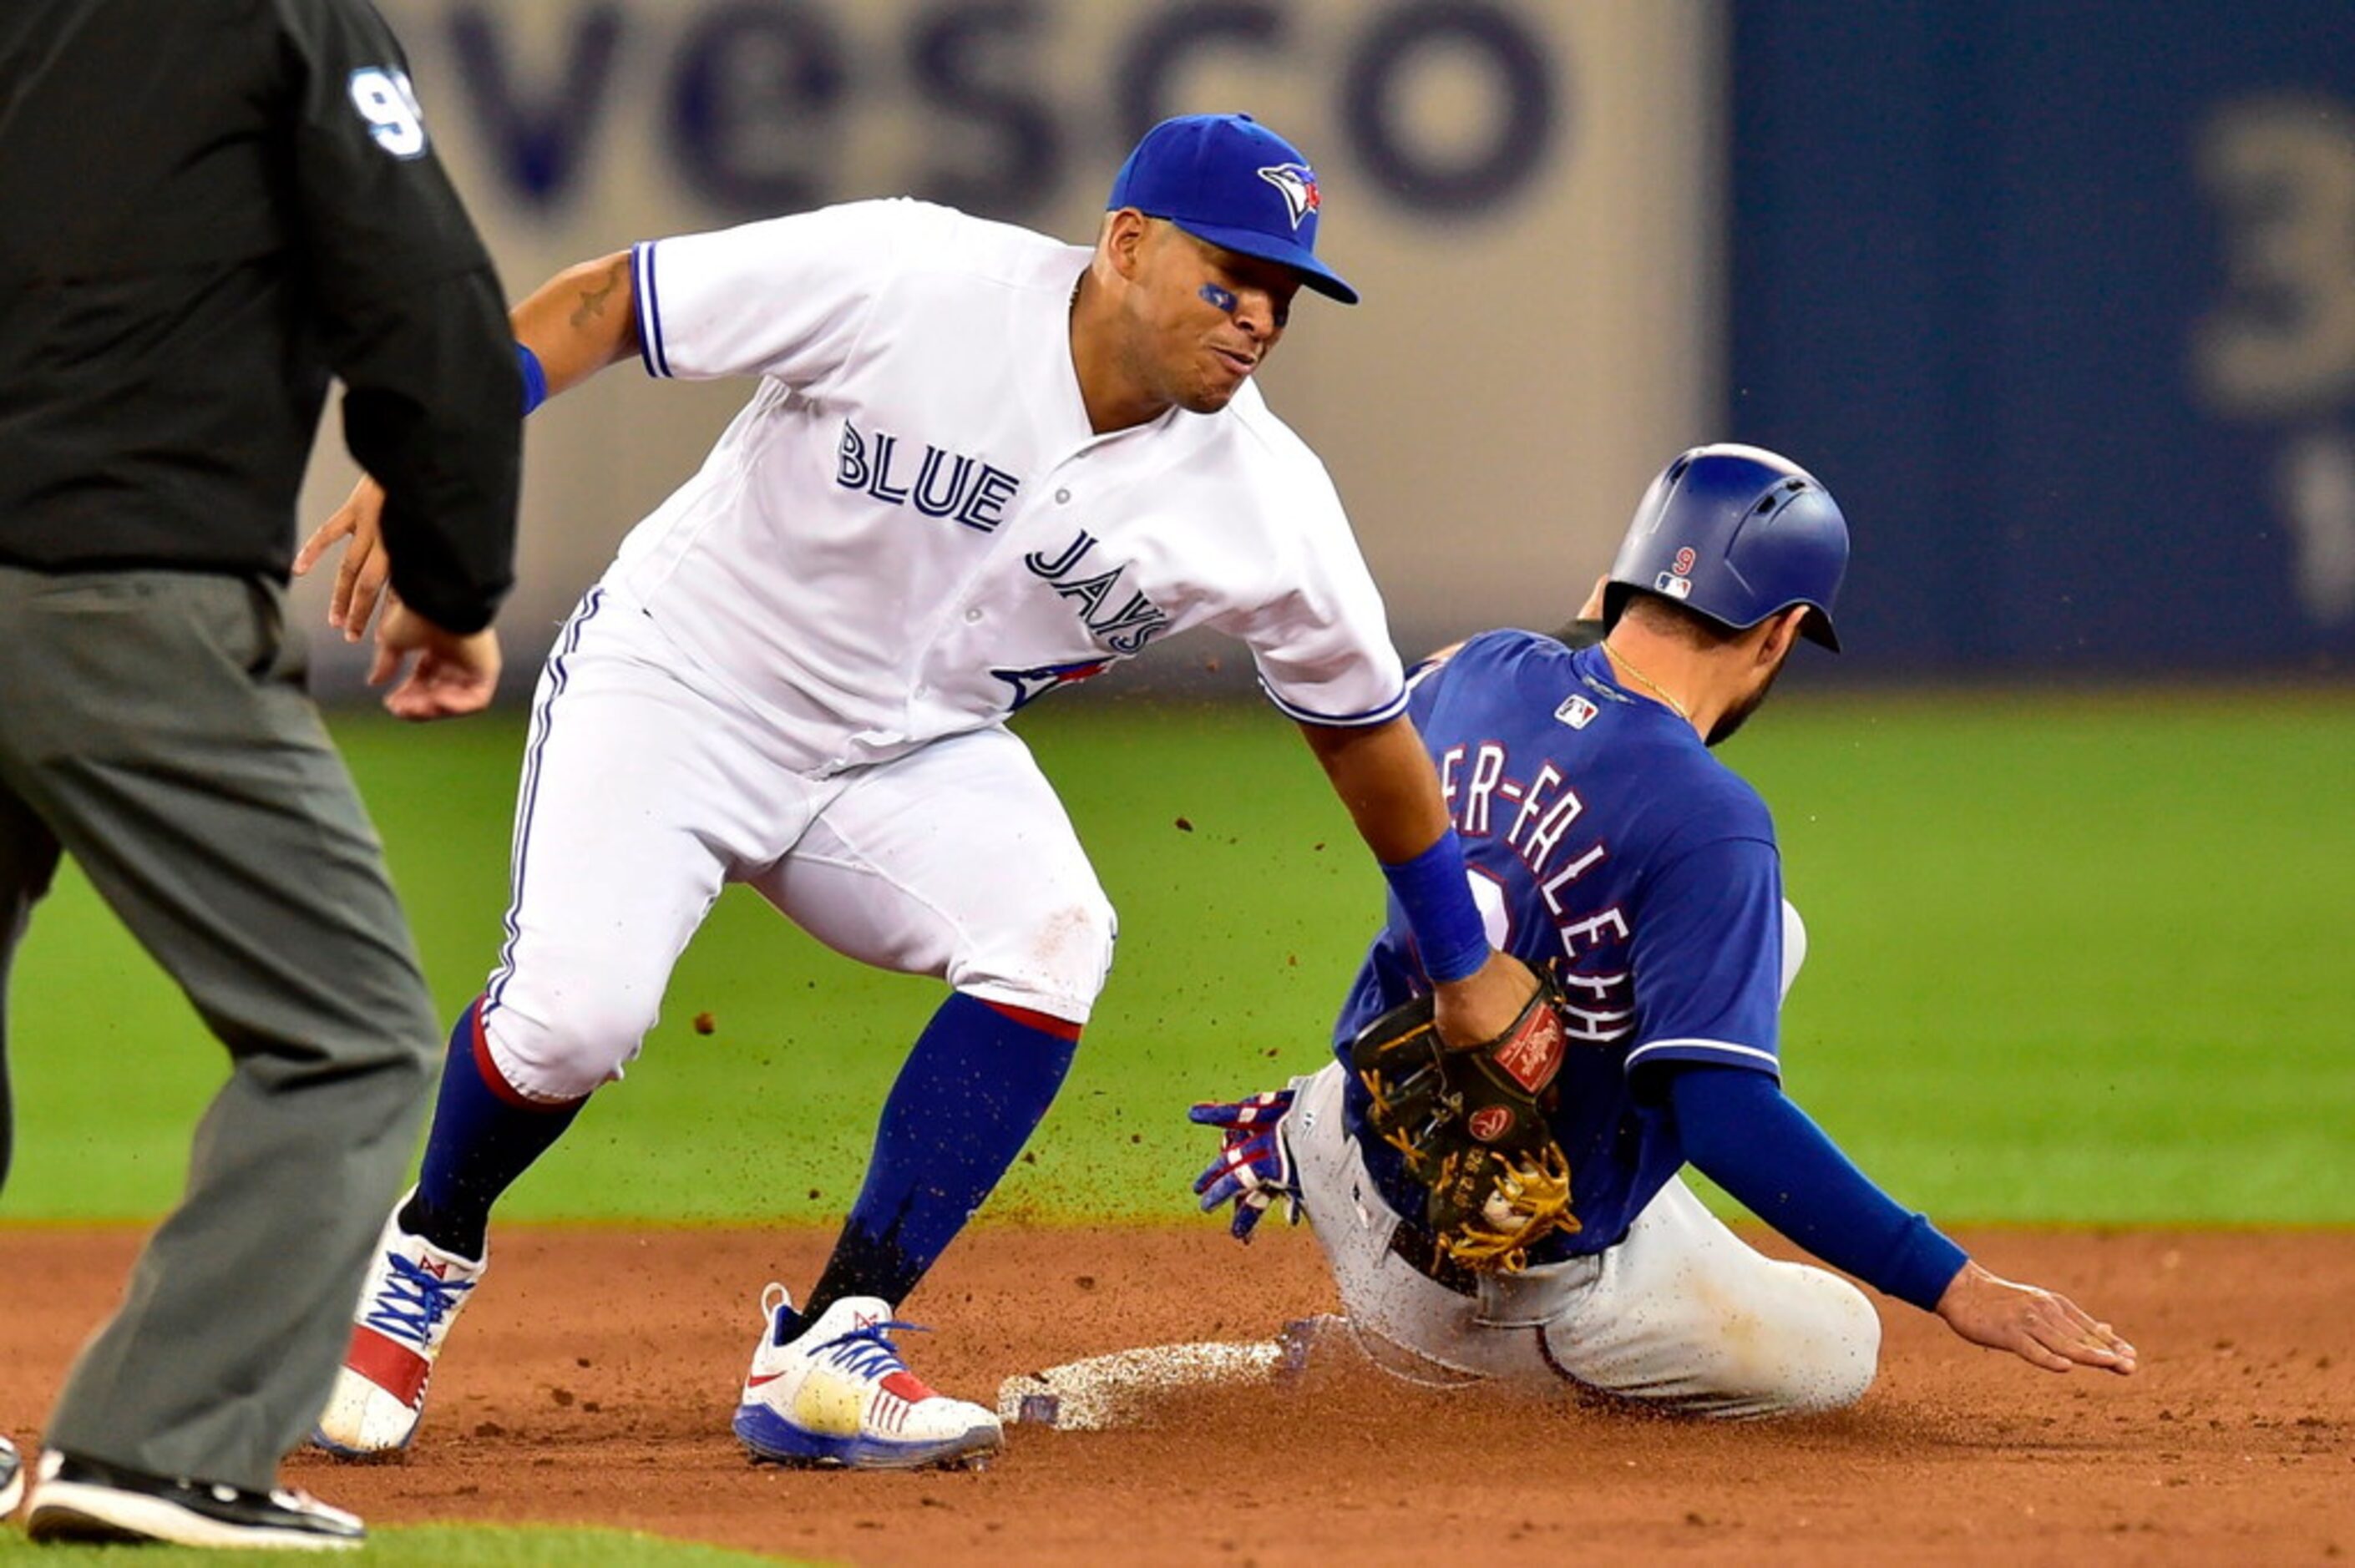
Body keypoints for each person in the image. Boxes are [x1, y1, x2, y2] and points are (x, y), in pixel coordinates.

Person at [300, 112, 1539, 1472]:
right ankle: (425, 1245)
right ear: (1125, 244)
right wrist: (438, 461)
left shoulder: (1265, 502)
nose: (1256, 319)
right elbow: (613, 304)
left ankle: (832, 1338)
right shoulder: (917, 279)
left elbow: (1363, 731)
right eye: (1229, 276)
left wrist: (1462, 955)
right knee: (572, 1024)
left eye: (1285, 297)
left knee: (1055, 931)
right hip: (682, 683)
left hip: (908, 750)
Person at [1191, 444, 2139, 1417]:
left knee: (1770, 933)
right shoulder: (1711, 817)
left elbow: (1510, 690)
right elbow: (1723, 1115)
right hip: (1492, 1279)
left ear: (1623, 584)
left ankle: (1321, 1126)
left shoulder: (1473, 672)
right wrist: (1954, 1283)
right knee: (1839, 1343)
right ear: (1780, 635)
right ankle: (1394, 1363)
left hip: (1353, 1133)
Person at [0, 0, 522, 1547]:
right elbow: (429, 311)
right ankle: (156, 1440)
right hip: (119, 583)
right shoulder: (284, 18)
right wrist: (450, 574)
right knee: (348, 1041)